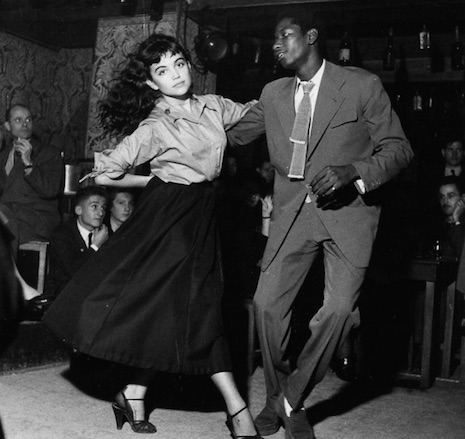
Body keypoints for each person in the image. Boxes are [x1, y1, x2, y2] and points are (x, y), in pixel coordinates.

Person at [43, 34, 260, 438]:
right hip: (170, 220)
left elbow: (257, 115)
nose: (174, 75)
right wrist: (157, 179)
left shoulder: (213, 106)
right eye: (162, 71)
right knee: (200, 311)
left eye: (178, 63)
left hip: (203, 217)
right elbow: (108, 172)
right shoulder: (157, 124)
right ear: (151, 83)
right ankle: (238, 409)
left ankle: (134, 393)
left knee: (172, 312)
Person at [228, 8, 413, 438]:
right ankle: (280, 398)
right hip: (292, 213)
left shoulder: (361, 84)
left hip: (347, 214)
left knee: (339, 312)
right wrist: (184, 114)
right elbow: (234, 132)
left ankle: (290, 397)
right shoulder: (273, 93)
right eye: (274, 38)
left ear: (311, 36)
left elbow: (399, 150)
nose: (276, 44)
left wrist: (355, 171)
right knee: (266, 308)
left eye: (284, 35)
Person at [0, 104, 63, 255]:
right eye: (18, 120)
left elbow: (50, 191)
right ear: (7, 126)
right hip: (7, 216)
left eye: (28, 119)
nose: (25, 124)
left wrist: (29, 163)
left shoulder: (49, 153)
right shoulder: (3, 155)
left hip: (35, 220)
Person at [42, 185, 109, 301]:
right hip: (63, 297)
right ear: (79, 210)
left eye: (103, 208)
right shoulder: (62, 234)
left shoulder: (105, 234)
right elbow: (74, 272)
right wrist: (95, 246)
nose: (100, 213)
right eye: (94, 207)